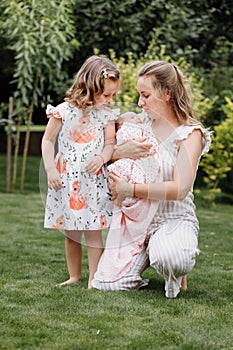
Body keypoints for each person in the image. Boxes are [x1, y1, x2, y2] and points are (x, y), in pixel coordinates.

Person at [92, 60, 211, 298]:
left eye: (145, 95)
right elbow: (95, 155)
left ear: (167, 93)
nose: (139, 102)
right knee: (107, 284)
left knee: (171, 257)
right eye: (139, 95)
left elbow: (179, 189)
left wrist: (129, 188)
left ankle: (171, 261)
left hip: (172, 218)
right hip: (136, 222)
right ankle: (144, 254)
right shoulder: (136, 124)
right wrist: (118, 153)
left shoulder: (189, 134)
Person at [41, 55, 121, 288]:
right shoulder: (63, 111)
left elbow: (110, 144)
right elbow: (48, 140)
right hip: (66, 178)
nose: (110, 100)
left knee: (94, 232)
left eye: (113, 95)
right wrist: (50, 169)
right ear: (89, 87)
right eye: (106, 95)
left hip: (93, 179)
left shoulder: (107, 115)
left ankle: (94, 278)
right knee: (72, 232)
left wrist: (101, 157)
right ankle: (74, 275)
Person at [91, 111, 162, 286]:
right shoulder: (127, 129)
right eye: (132, 118)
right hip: (127, 173)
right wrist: (118, 151)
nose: (137, 117)